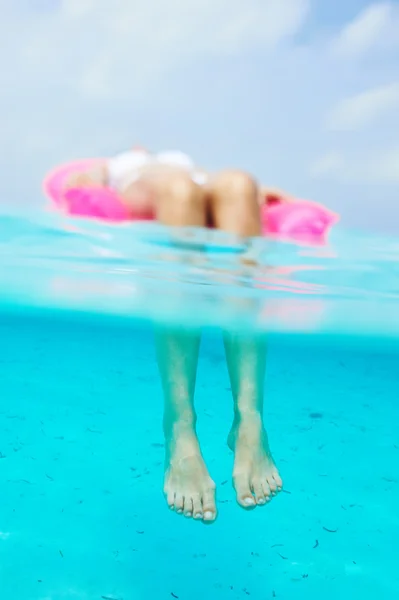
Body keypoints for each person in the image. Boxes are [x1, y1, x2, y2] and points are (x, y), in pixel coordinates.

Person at [65, 147, 283, 523]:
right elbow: (79, 185)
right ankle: (180, 427)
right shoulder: (120, 164)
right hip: (161, 188)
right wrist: (90, 183)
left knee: (238, 183)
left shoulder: (180, 160)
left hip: (193, 183)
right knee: (180, 188)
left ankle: (250, 421)